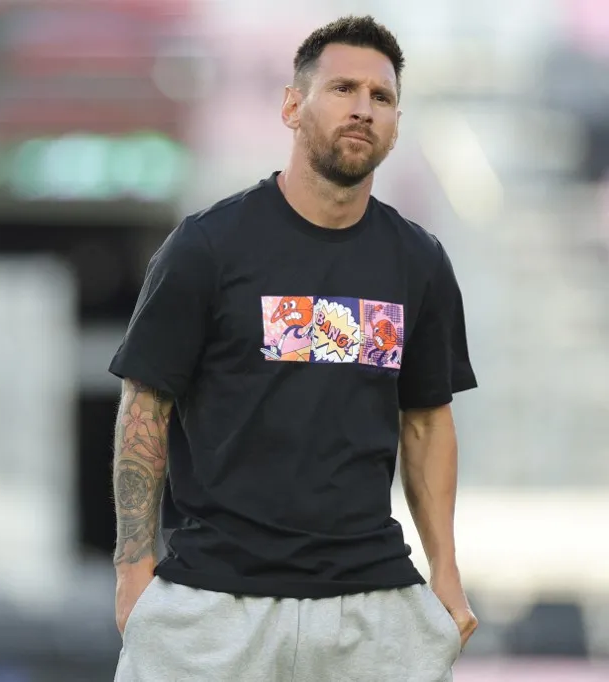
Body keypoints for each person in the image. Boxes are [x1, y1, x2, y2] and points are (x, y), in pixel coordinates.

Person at [110, 15, 478, 682]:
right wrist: (134, 569)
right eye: (343, 89)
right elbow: (146, 405)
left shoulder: (417, 262)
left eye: (382, 97)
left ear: (396, 122)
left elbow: (427, 422)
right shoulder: (206, 248)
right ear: (292, 105)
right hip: (215, 608)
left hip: (370, 611)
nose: (363, 109)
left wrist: (445, 572)